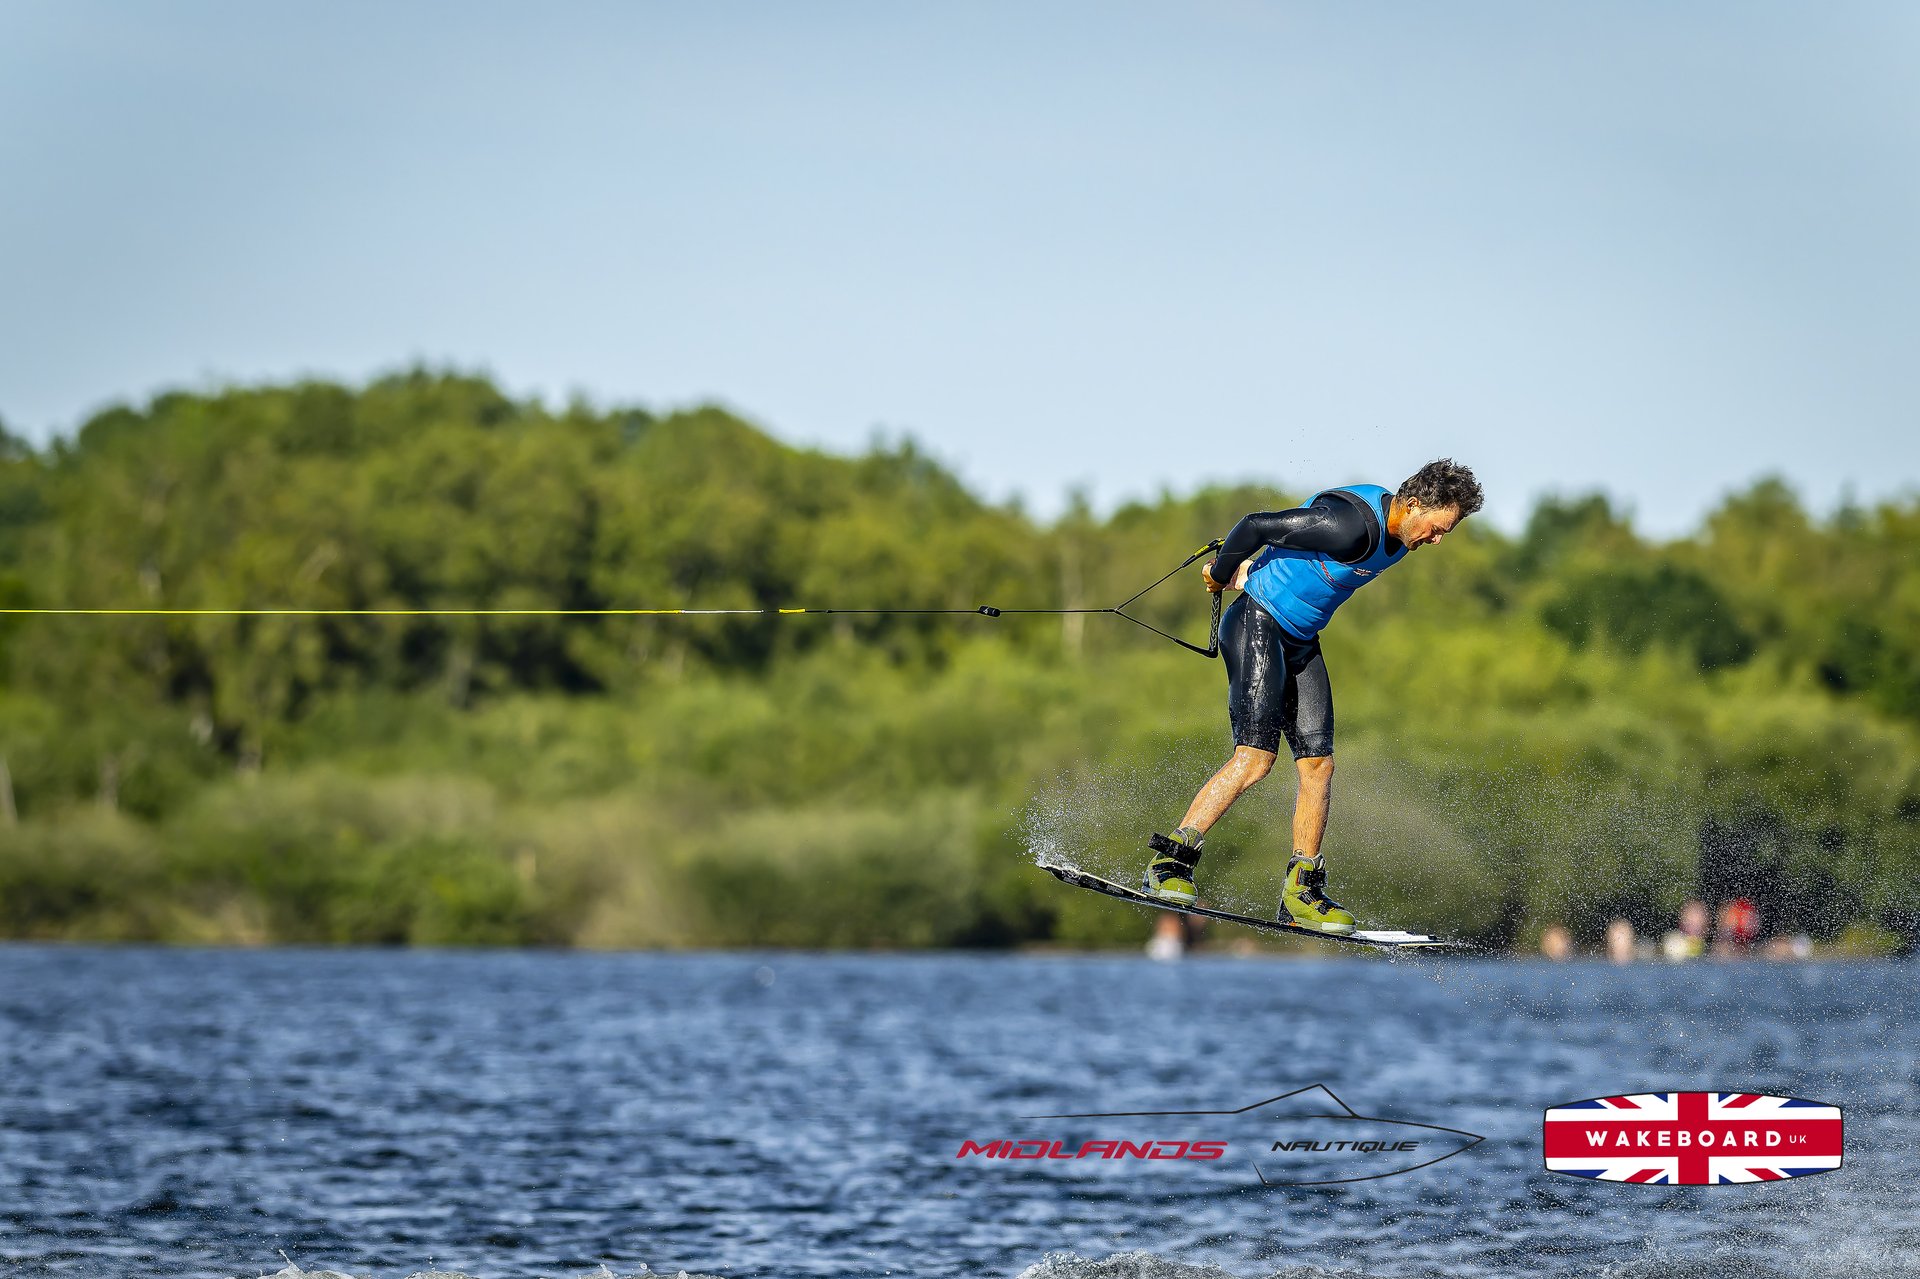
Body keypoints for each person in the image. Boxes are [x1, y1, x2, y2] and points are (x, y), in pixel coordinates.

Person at [1139, 460, 1484, 934]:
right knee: (1256, 758)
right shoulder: (1349, 527)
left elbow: (1293, 556)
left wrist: (1254, 566)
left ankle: (1301, 891)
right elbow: (1257, 525)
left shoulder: (1401, 537)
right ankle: (1170, 863)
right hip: (1257, 623)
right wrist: (1222, 574)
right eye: (1438, 528)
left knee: (1319, 765)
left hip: (1301, 640)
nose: (1437, 540)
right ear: (1413, 504)